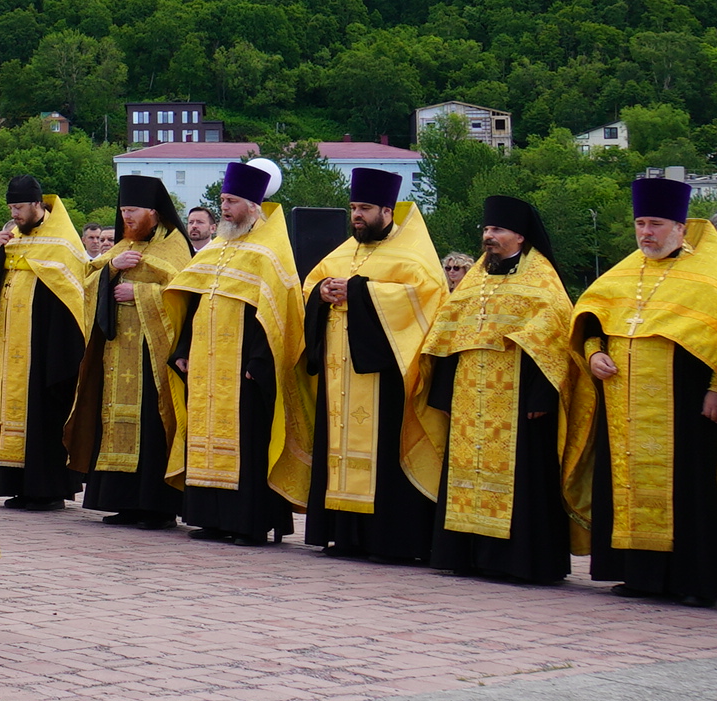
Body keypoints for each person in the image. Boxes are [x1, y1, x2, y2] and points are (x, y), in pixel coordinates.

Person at [573, 178, 717, 607]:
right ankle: (638, 574)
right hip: (624, 404)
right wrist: (593, 355)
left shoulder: (710, 275)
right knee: (626, 484)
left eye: (656, 224)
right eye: (640, 223)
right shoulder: (625, 271)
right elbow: (592, 321)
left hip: (685, 405)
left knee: (692, 490)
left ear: (681, 228)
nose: (646, 232)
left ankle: (694, 580)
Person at [423, 196, 588, 583]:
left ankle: (518, 562)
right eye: (485, 230)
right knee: (466, 473)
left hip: (517, 399)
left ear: (519, 236)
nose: (488, 237)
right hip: (468, 397)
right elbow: (449, 336)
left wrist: (541, 395)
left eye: (496, 230)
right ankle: (468, 555)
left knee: (523, 480)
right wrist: (443, 394)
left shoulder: (542, 279)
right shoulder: (475, 280)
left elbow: (552, 342)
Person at [299, 170, 448, 565]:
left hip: (386, 376)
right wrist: (321, 293)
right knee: (337, 447)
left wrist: (360, 291)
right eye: (353, 209)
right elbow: (310, 286)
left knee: (384, 455)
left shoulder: (413, 253)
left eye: (364, 209)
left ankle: (390, 541)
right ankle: (342, 534)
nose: (357, 216)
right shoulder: (343, 251)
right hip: (338, 373)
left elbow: (427, 298)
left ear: (387, 210)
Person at [164, 161, 307, 547]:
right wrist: (183, 349)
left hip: (245, 366)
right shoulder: (217, 247)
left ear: (252, 205)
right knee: (205, 436)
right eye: (222, 201)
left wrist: (259, 362)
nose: (224, 208)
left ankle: (248, 523)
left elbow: (277, 313)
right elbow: (194, 303)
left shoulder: (269, 251)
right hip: (206, 363)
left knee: (247, 443)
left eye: (231, 201)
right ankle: (210, 516)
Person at [66, 175, 191, 530]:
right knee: (114, 421)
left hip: (153, 356)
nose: (127, 218)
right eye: (123, 211)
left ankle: (155, 506)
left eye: (133, 211)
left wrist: (139, 294)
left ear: (153, 212)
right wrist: (109, 270)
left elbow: (182, 292)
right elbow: (87, 282)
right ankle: (121, 501)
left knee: (152, 425)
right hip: (118, 350)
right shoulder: (121, 245)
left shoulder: (175, 245)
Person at [0, 175, 92, 510]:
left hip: (43, 352)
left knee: (42, 414)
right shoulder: (11, 240)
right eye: (11, 207)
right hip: (7, 349)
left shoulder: (63, 244)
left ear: (38, 204)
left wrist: (56, 353)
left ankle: (48, 489)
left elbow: (73, 301)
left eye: (19, 207)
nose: (15, 213)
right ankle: (18, 485)